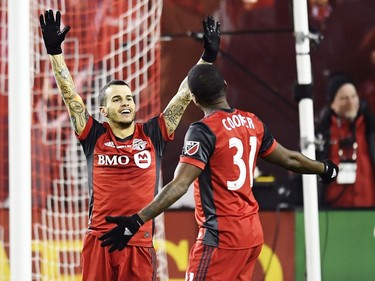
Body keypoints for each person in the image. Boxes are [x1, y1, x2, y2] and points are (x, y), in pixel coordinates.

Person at [99, 64, 339, 280]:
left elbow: (179, 184)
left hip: (221, 237)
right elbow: (289, 158)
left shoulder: (203, 131)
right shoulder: (252, 122)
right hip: (252, 235)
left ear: (193, 99)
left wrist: (137, 220)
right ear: (225, 86)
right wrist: (325, 168)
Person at [39, 9, 221, 281]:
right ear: (103, 110)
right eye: (117, 99)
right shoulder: (93, 134)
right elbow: (69, 95)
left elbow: (183, 96)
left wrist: (206, 58)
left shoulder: (153, 133)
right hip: (99, 240)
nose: (125, 103)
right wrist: (55, 52)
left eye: (129, 98)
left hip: (138, 242)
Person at [315, 71, 375, 208]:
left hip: (370, 211)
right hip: (332, 213)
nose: (351, 102)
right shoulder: (320, 133)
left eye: (354, 96)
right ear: (332, 103)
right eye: (344, 98)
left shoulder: (371, 129)